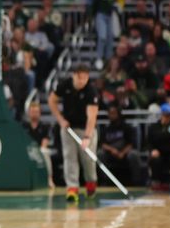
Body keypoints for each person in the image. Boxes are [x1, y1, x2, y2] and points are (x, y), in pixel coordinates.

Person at [47, 64, 99, 202]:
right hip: (68, 128)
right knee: (69, 158)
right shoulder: (65, 85)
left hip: (87, 129)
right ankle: (72, 188)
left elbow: (92, 116)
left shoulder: (91, 91)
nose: (82, 81)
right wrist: (60, 119)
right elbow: (52, 100)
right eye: (79, 77)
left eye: (85, 78)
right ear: (73, 75)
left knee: (88, 160)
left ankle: (91, 184)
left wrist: (87, 137)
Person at [99, 105, 144, 186]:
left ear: (118, 114)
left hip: (125, 153)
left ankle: (137, 182)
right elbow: (102, 144)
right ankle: (105, 181)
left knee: (133, 154)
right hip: (111, 153)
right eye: (110, 113)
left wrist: (122, 153)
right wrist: (112, 150)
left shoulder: (126, 127)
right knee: (100, 154)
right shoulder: (106, 128)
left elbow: (131, 144)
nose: (111, 115)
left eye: (113, 113)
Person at [147, 104, 170, 191]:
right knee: (155, 159)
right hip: (158, 152)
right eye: (166, 115)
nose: (168, 117)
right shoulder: (153, 127)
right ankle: (156, 180)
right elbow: (149, 142)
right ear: (162, 115)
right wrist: (153, 150)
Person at [23, 101, 55, 189]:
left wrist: (40, 149)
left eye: (36, 112)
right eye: (32, 112)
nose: (34, 114)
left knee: (44, 152)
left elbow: (45, 140)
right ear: (28, 113)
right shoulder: (23, 126)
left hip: (41, 149)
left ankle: (49, 178)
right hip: (27, 149)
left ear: (40, 113)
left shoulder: (45, 125)